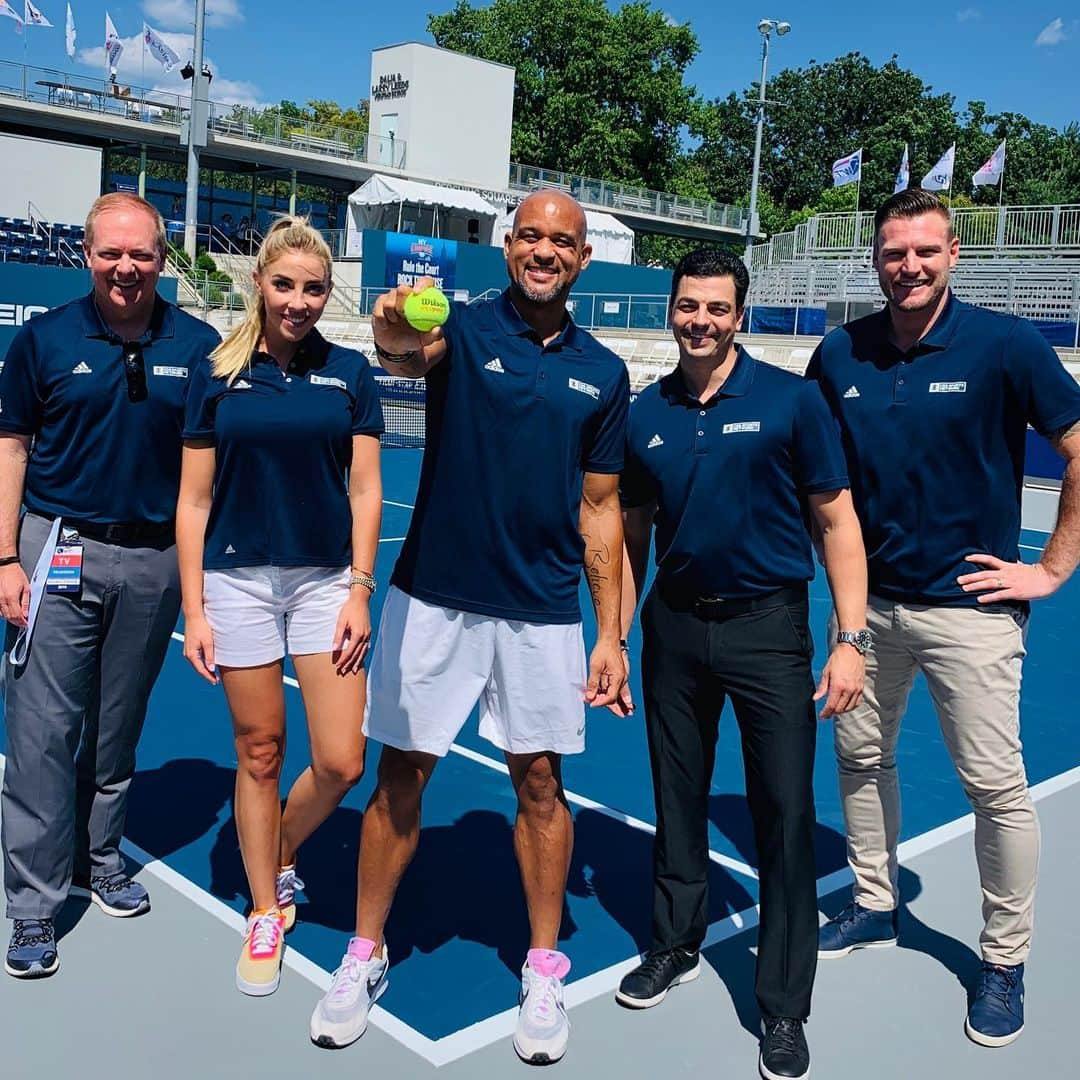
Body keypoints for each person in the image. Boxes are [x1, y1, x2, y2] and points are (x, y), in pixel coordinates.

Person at [307, 191, 629, 1062]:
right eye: (530, 235)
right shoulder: (468, 326)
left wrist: (611, 633)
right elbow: (407, 352)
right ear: (507, 244)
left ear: (583, 256)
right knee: (401, 775)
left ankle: (541, 965)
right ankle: (365, 954)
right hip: (435, 598)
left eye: (562, 241)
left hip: (541, 610)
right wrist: (391, 327)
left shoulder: (604, 371)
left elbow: (601, 512)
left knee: (539, 787)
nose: (544, 250)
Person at [808, 188, 1080, 1048]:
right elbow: (814, 478)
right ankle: (875, 902)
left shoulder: (1006, 343)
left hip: (973, 613)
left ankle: (1003, 959)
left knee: (995, 790)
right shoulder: (839, 353)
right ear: (875, 260)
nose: (909, 266)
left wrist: (1052, 568)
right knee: (859, 758)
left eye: (925, 251)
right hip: (869, 610)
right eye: (894, 252)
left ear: (953, 254)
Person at [615, 249, 868, 1080]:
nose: (701, 321)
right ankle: (675, 943)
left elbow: (836, 523)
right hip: (676, 632)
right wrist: (612, 635)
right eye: (688, 306)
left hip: (769, 631)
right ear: (671, 309)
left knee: (786, 814)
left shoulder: (793, 402)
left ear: (740, 314)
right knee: (676, 799)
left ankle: (783, 1008)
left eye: (717, 309)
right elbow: (632, 538)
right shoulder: (648, 412)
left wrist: (849, 638)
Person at [0, 192, 221, 978]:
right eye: (111, 253)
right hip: (57, 546)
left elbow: (213, 464)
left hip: (154, 558)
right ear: (86, 255)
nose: (127, 267)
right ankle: (32, 902)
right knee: (41, 732)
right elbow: (12, 445)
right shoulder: (45, 339)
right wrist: (4, 557)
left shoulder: (199, 346)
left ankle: (98, 857)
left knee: (118, 725)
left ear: (164, 258)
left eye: (143, 254)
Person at [176, 216, 384, 997]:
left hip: (327, 581)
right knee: (260, 752)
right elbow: (193, 501)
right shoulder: (214, 372)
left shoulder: (350, 372)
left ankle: (276, 846)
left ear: (329, 292)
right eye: (285, 284)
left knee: (341, 760)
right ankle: (266, 904)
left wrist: (362, 588)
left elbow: (366, 490)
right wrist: (195, 608)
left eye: (315, 287)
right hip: (237, 583)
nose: (299, 301)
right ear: (259, 283)